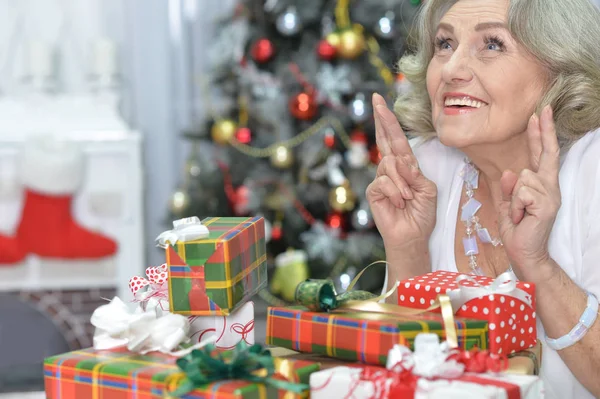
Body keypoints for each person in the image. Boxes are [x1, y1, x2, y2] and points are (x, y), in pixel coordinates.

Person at [367, 0, 600, 398]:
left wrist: (537, 266)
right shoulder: (426, 165)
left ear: (560, 67)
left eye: (491, 44)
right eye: (444, 44)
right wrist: (407, 248)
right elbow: (402, 374)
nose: (452, 69)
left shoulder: (593, 167)